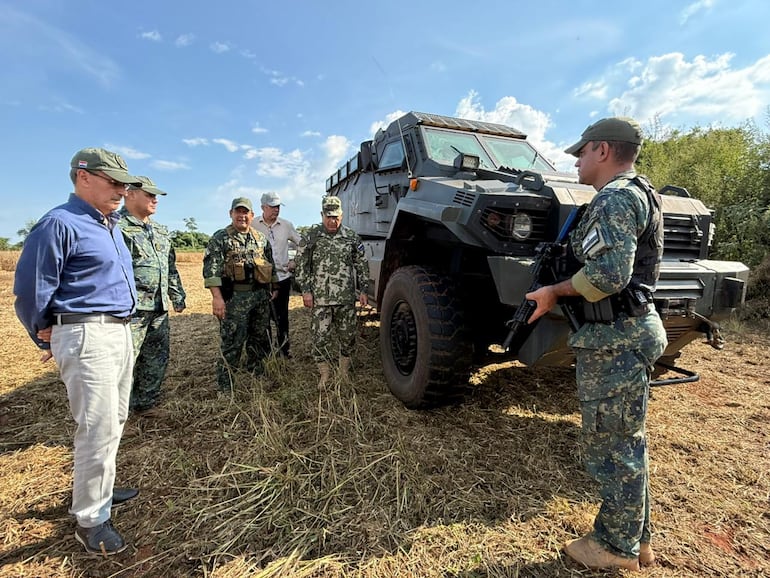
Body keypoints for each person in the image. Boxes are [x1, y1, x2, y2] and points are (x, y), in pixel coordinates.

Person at [525, 117, 666, 572]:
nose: (578, 161)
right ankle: (636, 540)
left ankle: (614, 547)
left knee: (611, 448)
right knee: (629, 442)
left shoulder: (616, 198)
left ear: (603, 150)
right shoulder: (642, 191)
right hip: (629, 331)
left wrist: (554, 292)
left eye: (582, 152)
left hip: (616, 339)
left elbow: (608, 275)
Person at [13, 148, 144, 555]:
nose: (121, 191)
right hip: (88, 335)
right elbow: (30, 292)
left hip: (118, 332)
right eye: (113, 182)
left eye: (125, 184)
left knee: (113, 419)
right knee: (97, 426)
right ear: (83, 177)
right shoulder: (59, 224)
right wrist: (46, 335)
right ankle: (91, 520)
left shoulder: (108, 225)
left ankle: (100, 491)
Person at [118, 176, 186, 416]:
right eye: (149, 194)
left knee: (156, 357)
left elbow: (170, 266)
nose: (154, 199)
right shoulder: (116, 228)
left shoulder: (160, 231)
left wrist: (177, 295)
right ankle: (117, 416)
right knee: (124, 364)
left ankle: (145, 404)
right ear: (130, 193)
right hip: (130, 311)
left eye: (156, 195)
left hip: (158, 307)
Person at [203, 197, 279, 392]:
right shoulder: (221, 238)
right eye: (238, 212)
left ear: (252, 216)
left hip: (260, 298)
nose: (242, 216)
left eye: (246, 212)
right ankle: (225, 386)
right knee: (232, 343)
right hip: (234, 299)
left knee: (259, 338)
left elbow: (271, 264)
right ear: (231, 214)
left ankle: (256, 375)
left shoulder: (260, 238)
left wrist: (275, 286)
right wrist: (217, 298)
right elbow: (211, 271)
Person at [294, 195, 369, 387]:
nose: (332, 220)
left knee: (348, 337)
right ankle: (325, 374)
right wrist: (306, 291)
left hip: (345, 298)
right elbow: (302, 264)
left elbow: (361, 263)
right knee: (320, 339)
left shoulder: (351, 237)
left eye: (335, 217)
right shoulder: (312, 236)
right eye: (328, 216)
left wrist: (364, 289)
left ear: (342, 216)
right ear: (322, 215)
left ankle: (343, 372)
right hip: (320, 300)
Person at [253, 192, 301, 358]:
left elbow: (303, 244)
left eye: (278, 206)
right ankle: (265, 354)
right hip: (260, 281)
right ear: (262, 207)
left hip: (282, 279)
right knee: (262, 319)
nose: (276, 210)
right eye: (272, 206)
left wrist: (295, 262)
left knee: (282, 318)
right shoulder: (253, 224)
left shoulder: (286, 225)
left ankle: (283, 351)